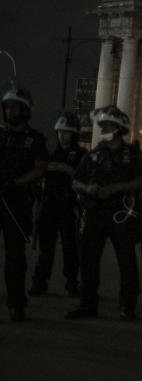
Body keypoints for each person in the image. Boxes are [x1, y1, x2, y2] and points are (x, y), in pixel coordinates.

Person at [66, 106, 142, 321]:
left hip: (122, 213)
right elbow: (76, 180)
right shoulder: (94, 155)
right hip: (95, 212)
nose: (104, 128)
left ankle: (128, 305)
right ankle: (88, 304)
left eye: (108, 125)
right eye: (102, 125)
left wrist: (116, 188)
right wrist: (87, 189)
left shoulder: (132, 154)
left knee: (126, 261)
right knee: (88, 260)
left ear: (119, 128)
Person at [0, 88, 48, 321]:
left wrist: (14, 182)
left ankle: (16, 303)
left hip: (17, 203)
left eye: (14, 106)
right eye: (7, 106)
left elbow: (39, 169)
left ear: (25, 110)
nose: (10, 110)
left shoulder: (35, 139)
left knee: (15, 258)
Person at [30, 113, 82, 298]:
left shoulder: (81, 155)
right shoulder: (50, 153)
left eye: (66, 132)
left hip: (68, 206)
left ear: (74, 134)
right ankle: (40, 282)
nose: (62, 136)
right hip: (49, 205)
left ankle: (72, 284)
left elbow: (85, 178)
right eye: (60, 132)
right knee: (46, 249)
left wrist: (68, 170)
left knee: (71, 249)